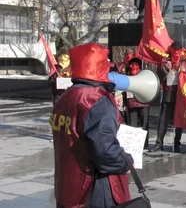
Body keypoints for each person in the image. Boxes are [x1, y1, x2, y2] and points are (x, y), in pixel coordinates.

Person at [51, 43, 132, 208]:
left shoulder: (65, 98)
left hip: (67, 188)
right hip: (94, 191)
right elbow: (105, 152)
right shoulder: (95, 100)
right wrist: (126, 162)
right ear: (99, 68)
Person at [153, 41, 186, 153]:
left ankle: (177, 143)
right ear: (170, 49)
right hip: (167, 95)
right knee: (163, 120)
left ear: (181, 50)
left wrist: (185, 73)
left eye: (178, 50)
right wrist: (166, 69)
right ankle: (159, 143)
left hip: (180, 97)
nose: (176, 52)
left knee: (179, 121)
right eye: (174, 49)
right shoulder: (164, 61)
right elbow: (158, 78)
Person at [125, 58, 150, 149]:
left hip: (132, 102)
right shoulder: (144, 74)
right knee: (143, 124)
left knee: (133, 124)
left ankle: (134, 144)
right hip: (142, 102)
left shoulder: (128, 75)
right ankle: (144, 145)